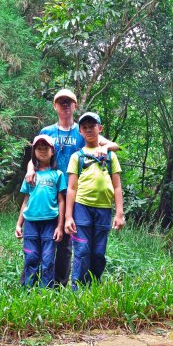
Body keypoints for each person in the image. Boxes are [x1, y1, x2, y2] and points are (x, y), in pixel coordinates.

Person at [25, 89, 118, 287]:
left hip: (74, 192)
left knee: (66, 241)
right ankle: (36, 281)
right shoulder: (46, 132)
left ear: (75, 106)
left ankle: (59, 283)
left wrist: (106, 148)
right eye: (61, 102)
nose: (65, 104)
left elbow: (114, 145)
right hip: (50, 191)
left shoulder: (82, 130)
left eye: (69, 101)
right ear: (55, 106)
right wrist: (30, 169)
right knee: (47, 236)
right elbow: (35, 155)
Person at [64, 112, 125, 290]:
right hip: (81, 208)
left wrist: (119, 213)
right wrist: (68, 216)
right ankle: (77, 291)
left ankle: (93, 288)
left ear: (100, 129)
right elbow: (71, 188)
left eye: (92, 126)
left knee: (98, 253)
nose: (89, 130)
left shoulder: (111, 156)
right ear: (80, 132)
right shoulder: (77, 157)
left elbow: (117, 187)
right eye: (84, 127)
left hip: (104, 210)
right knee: (82, 251)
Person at [15, 135, 67, 288]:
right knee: (31, 257)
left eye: (46, 148)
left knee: (48, 259)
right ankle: (28, 289)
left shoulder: (57, 175)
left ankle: (46, 291)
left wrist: (59, 226)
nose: (43, 151)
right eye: (39, 148)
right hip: (30, 223)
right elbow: (25, 201)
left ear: (52, 152)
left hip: (50, 223)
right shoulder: (30, 176)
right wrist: (19, 224)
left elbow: (61, 201)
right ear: (34, 152)